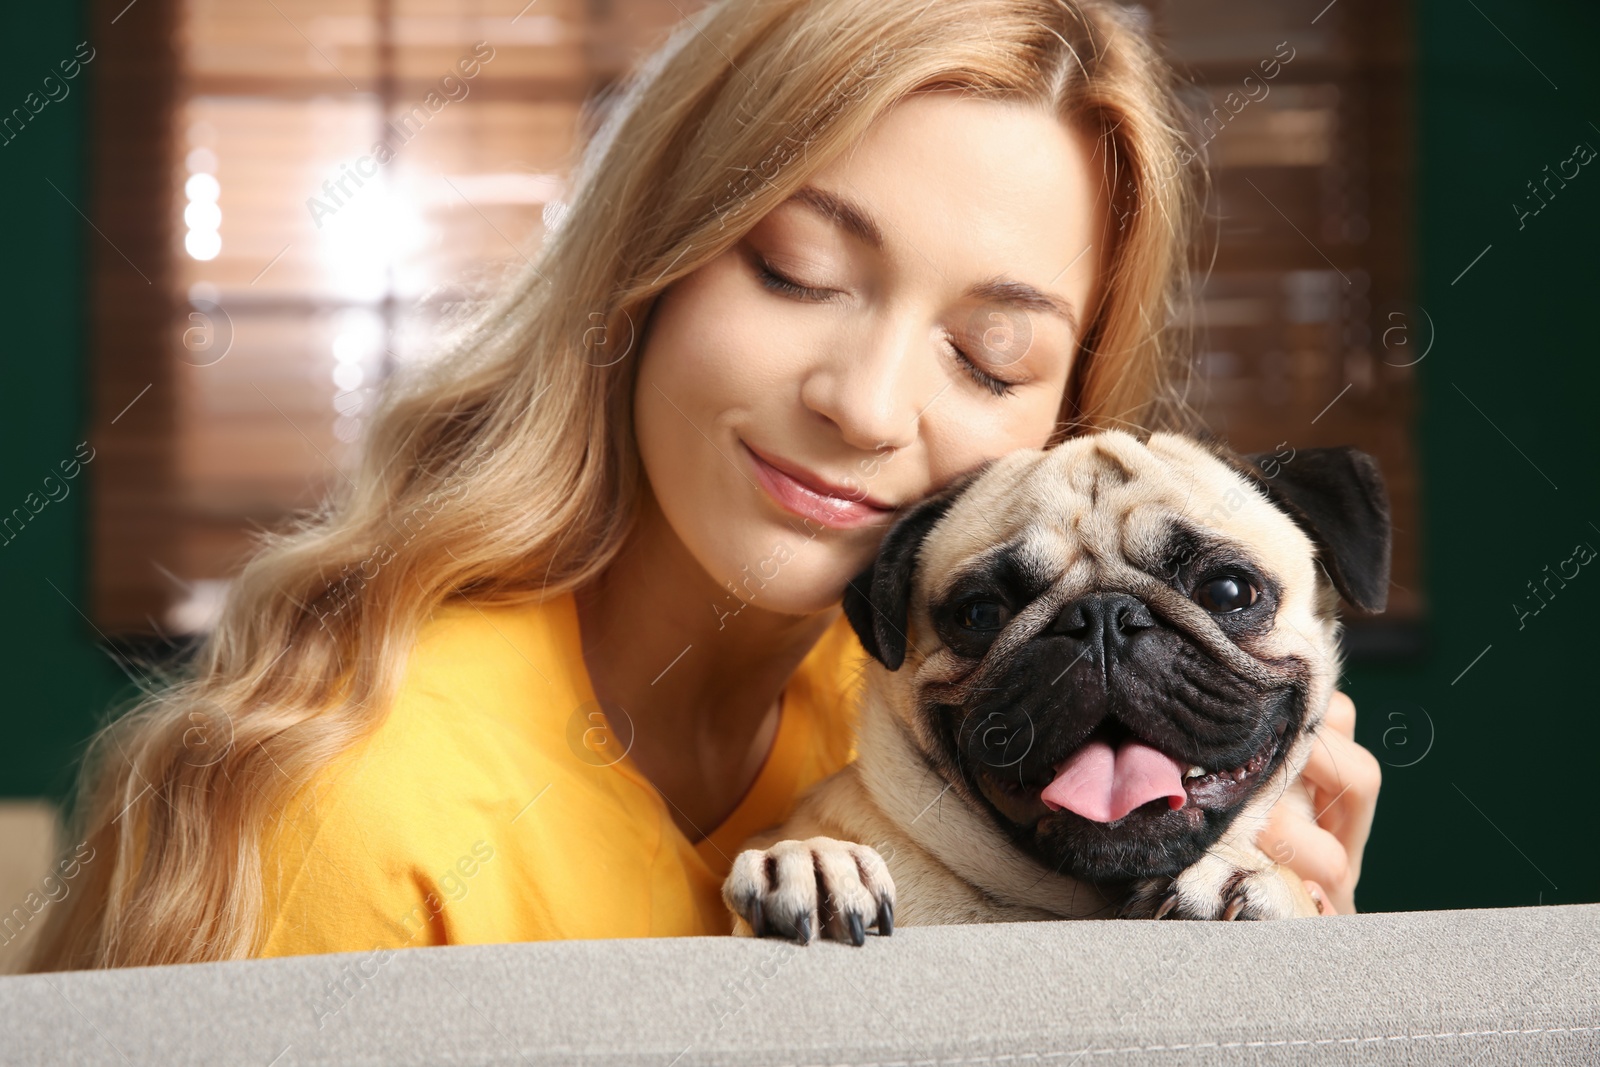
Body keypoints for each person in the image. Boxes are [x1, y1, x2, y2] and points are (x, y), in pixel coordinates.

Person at [26, 0, 1380, 972]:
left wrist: (1269, 972)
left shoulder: (920, 704)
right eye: (792, 270)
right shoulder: (372, 814)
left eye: (990, 353)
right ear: (647, 266)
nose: (863, 401)